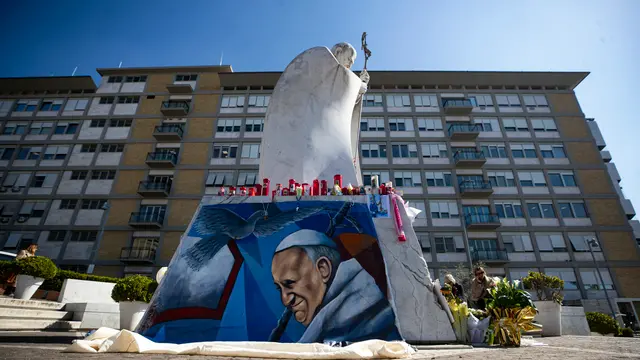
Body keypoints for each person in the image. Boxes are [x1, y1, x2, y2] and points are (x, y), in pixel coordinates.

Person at [270, 229, 400, 343]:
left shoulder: (370, 308)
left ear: (323, 269)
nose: (285, 300)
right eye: (279, 288)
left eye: (290, 283)